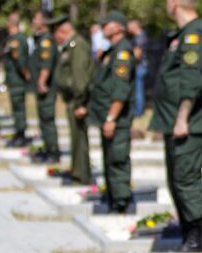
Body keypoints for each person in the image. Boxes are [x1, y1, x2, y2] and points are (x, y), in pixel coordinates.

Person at [149, 0, 202, 251]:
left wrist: (182, 118)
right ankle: (187, 228)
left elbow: (191, 81)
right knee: (176, 177)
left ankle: (195, 235)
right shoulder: (182, 34)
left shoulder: (193, 36)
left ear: (174, 2)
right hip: (173, 121)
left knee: (186, 177)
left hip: (186, 123)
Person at [87, 11, 137, 212]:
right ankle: (112, 197)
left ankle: (121, 201)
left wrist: (111, 117)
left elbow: (120, 89)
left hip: (116, 118)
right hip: (107, 117)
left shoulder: (122, 52)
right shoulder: (112, 51)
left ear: (118, 27)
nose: (103, 28)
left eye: (107, 24)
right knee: (109, 158)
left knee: (117, 158)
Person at [55, 17, 95, 185]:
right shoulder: (70, 46)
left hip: (78, 100)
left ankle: (81, 175)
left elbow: (80, 77)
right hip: (72, 99)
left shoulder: (77, 45)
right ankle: (77, 172)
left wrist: (80, 102)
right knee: (75, 138)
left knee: (79, 138)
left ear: (63, 31)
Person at [30, 14, 61, 164]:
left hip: (47, 86)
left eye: (36, 19)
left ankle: (53, 150)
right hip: (42, 86)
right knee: (43, 117)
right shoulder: (40, 38)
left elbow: (46, 64)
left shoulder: (47, 41)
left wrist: (42, 81)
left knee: (47, 117)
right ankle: (48, 147)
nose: (33, 21)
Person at [0, 11, 31, 147]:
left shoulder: (18, 39)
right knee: (16, 107)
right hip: (13, 78)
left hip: (17, 79)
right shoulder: (12, 38)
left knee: (19, 107)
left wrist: (25, 75)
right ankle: (18, 131)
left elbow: (19, 60)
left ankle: (21, 133)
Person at [128, 18, 148, 117]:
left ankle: (138, 112)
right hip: (142, 67)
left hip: (139, 67)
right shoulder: (142, 36)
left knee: (138, 91)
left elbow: (137, 54)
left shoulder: (139, 37)